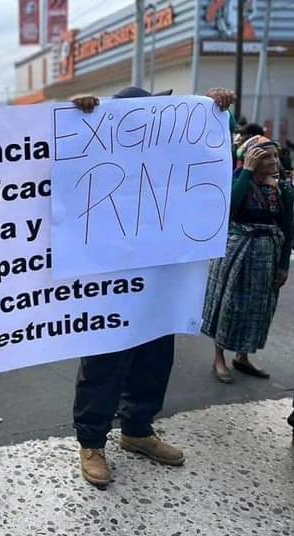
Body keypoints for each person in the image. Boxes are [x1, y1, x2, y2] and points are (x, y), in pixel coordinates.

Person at [70, 86, 236, 488]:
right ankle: (91, 443)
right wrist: (78, 117)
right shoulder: (94, 158)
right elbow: (56, 175)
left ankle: (137, 430)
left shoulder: (169, 159)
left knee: (155, 357)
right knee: (104, 363)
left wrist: (214, 110)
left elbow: (209, 160)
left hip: (161, 281)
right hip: (109, 285)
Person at [203, 135, 294, 383]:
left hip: (267, 255)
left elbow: (287, 227)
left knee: (257, 308)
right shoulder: (236, 180)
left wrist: (284, 264)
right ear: (251, 159)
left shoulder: (282, 188)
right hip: (237, 253)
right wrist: (247, 172)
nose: (274, 161)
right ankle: (219, 356)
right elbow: (229, 208)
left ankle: (242, 356)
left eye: (275, 156)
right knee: (229, 304)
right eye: (266, 157)